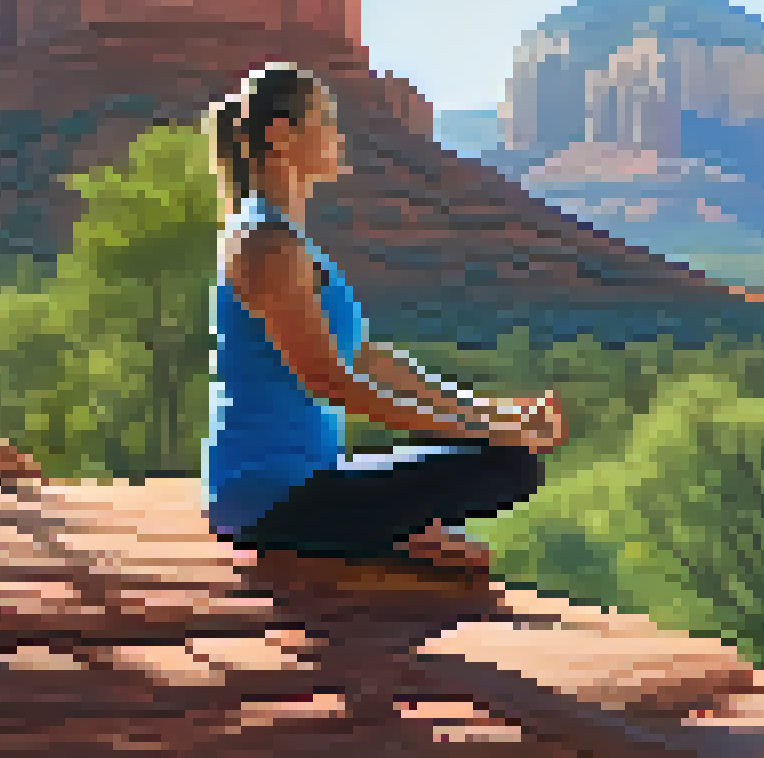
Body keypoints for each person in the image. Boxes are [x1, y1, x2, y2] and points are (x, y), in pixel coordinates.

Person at [200, 62, 566, 585]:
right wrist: (488, 430)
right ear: (282, 135)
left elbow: (371, 360)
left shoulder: (285, 239)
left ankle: (391, 532)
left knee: (504, 454)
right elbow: (330, 383)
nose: (337, 134)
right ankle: (388, 537)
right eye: (324, 120)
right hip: (271, 501)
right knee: (510, 466)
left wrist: (490, 410)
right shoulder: (268, 244)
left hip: (300, 486)